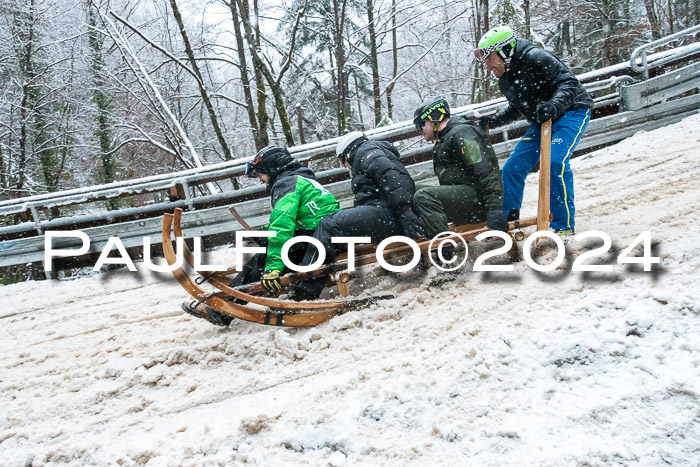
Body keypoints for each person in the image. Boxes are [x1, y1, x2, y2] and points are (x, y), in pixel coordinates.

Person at [182, 145, 341, 325]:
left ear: (272, 169)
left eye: (261, 175)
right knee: (270, 246)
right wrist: (265, 231)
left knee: (263, 259)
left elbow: (282, 226)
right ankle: (233, 299)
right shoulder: (300, 179)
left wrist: (272, 267)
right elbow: (299, 218)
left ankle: (222, 310)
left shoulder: (286, 184)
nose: (261, 180)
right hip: (324, 234)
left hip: (315, 237)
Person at [475, 25, 593, 236]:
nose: (487, 66)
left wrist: (554, 105)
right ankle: (509, 223)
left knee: (554, 162)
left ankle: (564, 225)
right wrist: (494, 121)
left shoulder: (537, 58)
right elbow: (518, 106)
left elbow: (569, 83)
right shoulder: (506, 79)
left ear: (504, 51)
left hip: (571, 112)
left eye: (489, 58)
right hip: (542, 121)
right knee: (512, 168)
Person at [291, 131, 425, 300]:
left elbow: (391, 178)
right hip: (388, 213)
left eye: (343, 162)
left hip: (390, 214)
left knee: (329, 224)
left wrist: (405, 212)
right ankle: (310, 282)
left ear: (347, 153)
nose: (346, 166)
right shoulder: (369, 153)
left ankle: (304, 292)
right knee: (334, 223)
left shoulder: (367, 152)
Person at [412, 96, 507, 239]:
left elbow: (485, 171)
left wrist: (494, 210)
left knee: (423, 196)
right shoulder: (445, 138)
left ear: (433, 118)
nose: (419, 131)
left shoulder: (462, 133)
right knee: (409, 188)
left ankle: (443, 248)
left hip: (479, 200)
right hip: (465, 199)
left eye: (420, 125)